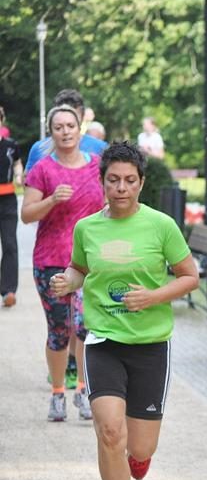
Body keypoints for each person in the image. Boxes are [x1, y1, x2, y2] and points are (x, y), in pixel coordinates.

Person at [50, 141, 198, 480]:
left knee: (141, 448)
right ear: (102, 182)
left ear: (141, 183)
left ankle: (138, 458)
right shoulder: (87, 228)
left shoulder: (161, 226)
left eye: (129, 181)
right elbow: (79, 269)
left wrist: (152, 296)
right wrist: (67, 281)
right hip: (103, 341)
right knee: (110, 431)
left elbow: (189, 276)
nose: (121, 188)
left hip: (151, 346)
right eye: (113, 180)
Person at [21, 105, 104, 422]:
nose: (65, 131)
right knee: (59, 330)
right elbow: (26, 214)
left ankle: (83, 391)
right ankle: (58, 393)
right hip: (52, 261)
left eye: (70, 125)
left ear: (79, 128)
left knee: (85, 327)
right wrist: (52, 199)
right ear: (51, 132)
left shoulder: (97, 166)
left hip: (90, 262)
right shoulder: (42, 169)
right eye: (59, 127)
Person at [24, 89, 108, 174]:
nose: (66, 130)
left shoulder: (101, 148)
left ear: (82, 117)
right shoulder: (40, 149)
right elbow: (28, 180)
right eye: (60, 123)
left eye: (71, 123)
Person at [0, 106, 24, 308]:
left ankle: (8, 291)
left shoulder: (11, 145)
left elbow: (17, 163)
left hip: (7, 199)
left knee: (9, 244)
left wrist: (18, 174)